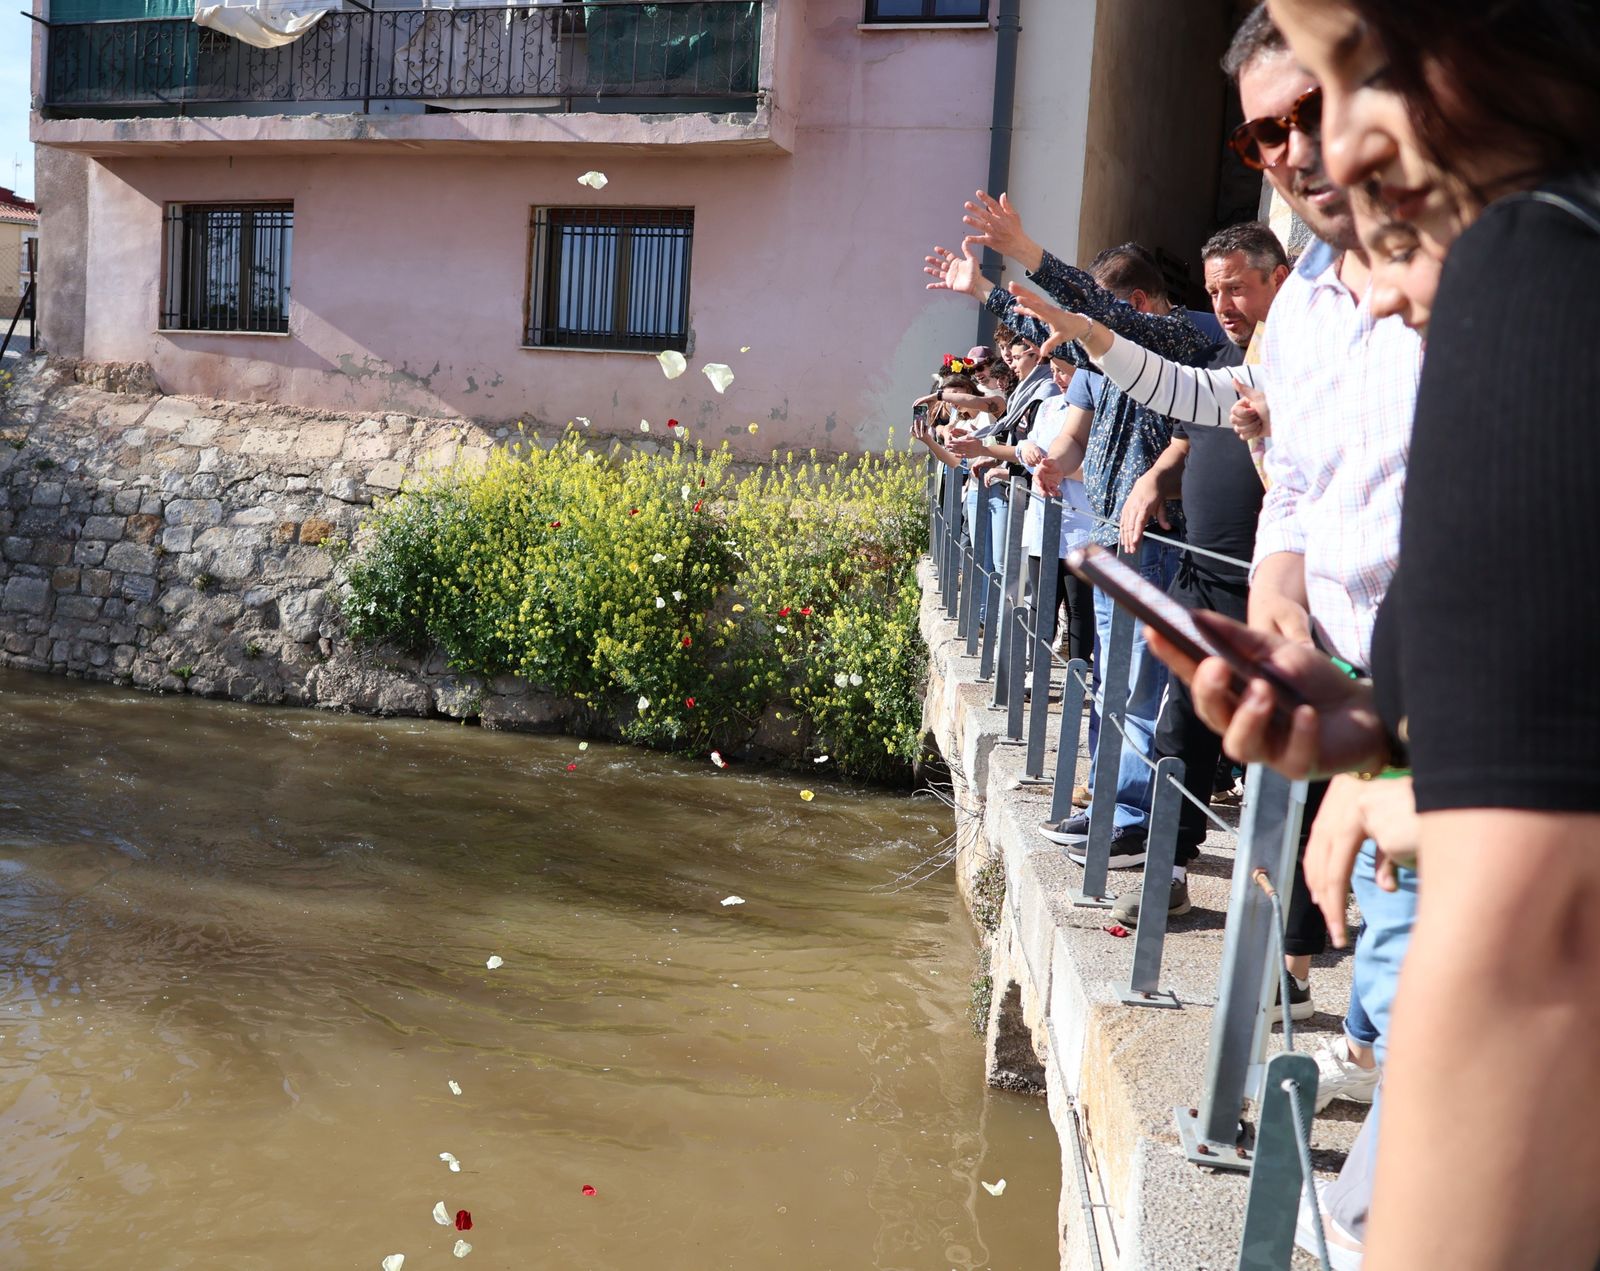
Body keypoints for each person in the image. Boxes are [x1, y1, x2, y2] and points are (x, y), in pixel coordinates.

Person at [1198, 4, 1600, 1269]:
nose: (1332, 148)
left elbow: (1543, 939)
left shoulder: (1536, 262)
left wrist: (1440, 792)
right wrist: (1387, 738)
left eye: (1350, 74)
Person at [1013, 220, 1292, 923]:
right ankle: (1165, 869)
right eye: (1214, 290)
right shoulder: (1218, 356)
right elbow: (1129, 352)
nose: (1223, 303)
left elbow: (1118, 330)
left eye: (1236, 287)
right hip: (1206, 570)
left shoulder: (1286, 358)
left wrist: (1159, 477)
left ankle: (1285, 927)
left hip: (1272, 582)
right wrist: (1014, 272)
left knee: (1272, 750)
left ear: (1279, 282)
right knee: (1180, 731)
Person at [927, 230, 1218, 865]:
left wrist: (1155, 478)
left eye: (1099, 313)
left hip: (1161, 537)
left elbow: (1194, 430)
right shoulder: (1106, 359)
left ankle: (1137, 817)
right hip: (1109, 532)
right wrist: (1052, 462)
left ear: (1135, 305)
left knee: (1145, 684)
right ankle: (1110, 806)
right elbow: (1057, 358)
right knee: (1113, 682)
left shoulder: (1191, 344)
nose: (1087, 327)